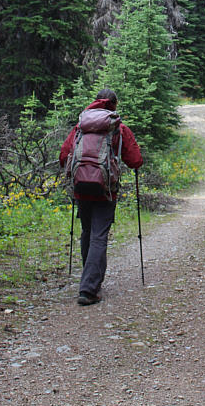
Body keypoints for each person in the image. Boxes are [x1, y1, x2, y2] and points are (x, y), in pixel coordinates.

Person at [59, 88, 143, 305]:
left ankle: (89, 280)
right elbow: (135, 160)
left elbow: (64, 155)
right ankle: (89, 289)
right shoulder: (119, 128)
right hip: (106, 191)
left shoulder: (80, 126)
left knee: (87, 231)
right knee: (99, 235)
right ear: (114, 104)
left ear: (95, 102)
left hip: (81, 188)